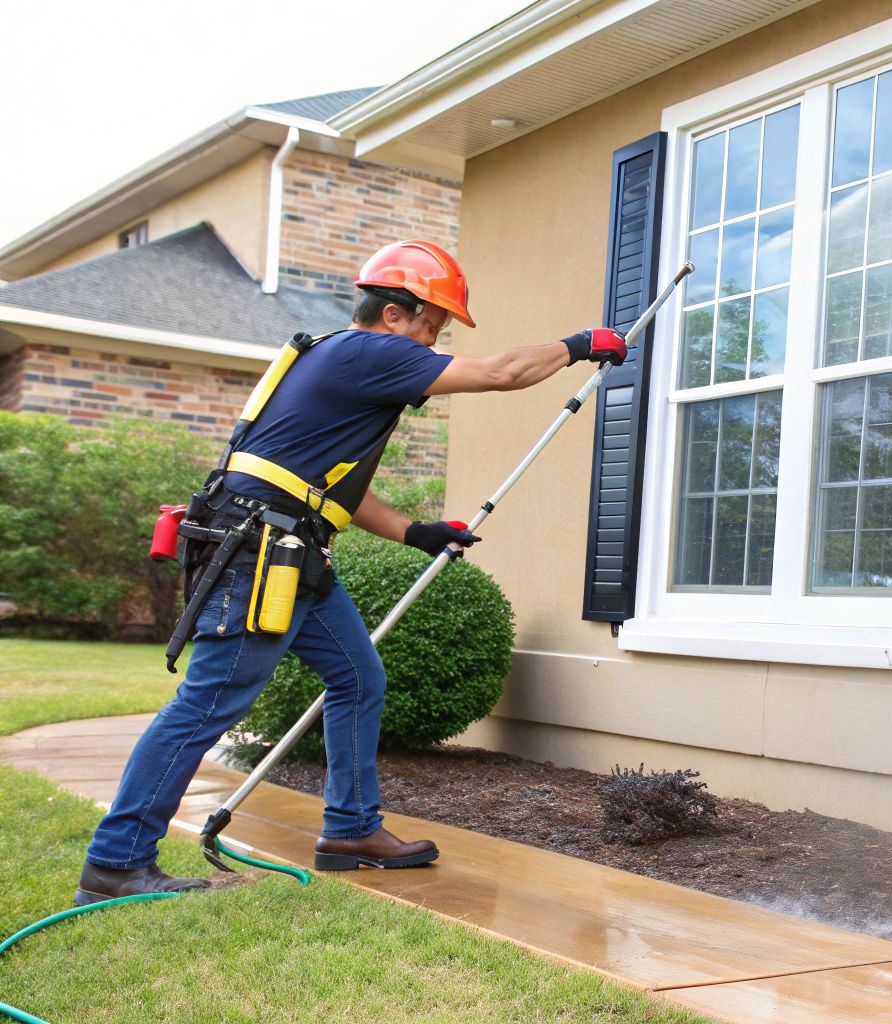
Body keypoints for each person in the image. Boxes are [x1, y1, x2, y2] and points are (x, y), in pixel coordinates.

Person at [76, 240, 628, 905]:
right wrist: (576, 344)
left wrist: (414, 532)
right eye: (433, 328)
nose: (434, 347)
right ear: (396, 312)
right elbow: (503, 373)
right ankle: (117, 863)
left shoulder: (341, 363)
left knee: (358, 677)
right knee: (206, 705)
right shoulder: (369, 351)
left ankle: (351, 831)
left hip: (293, 548)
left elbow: (331, 492)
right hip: (262, 553)